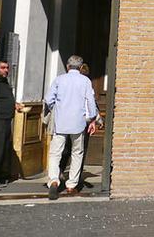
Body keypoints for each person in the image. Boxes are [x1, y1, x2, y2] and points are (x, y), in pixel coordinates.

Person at [45, 54, 98, 199]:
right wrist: (92, 120)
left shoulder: (59, 80)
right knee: (77, 153)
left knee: (55, 153)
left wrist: (56, 109)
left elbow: (48, 99)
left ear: (68, 66)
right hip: (78, 123)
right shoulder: (85, 81)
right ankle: (71, 185)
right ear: (81, 68)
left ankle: (54, 181)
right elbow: (90, 102)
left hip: (60, 123)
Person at [0, 59, 21, 187]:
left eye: (7, 68)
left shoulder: (4, 82)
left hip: (7, 120)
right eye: (3, 68)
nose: (6, 70)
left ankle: (1, 175)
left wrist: (14, 104)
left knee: (5, 148)